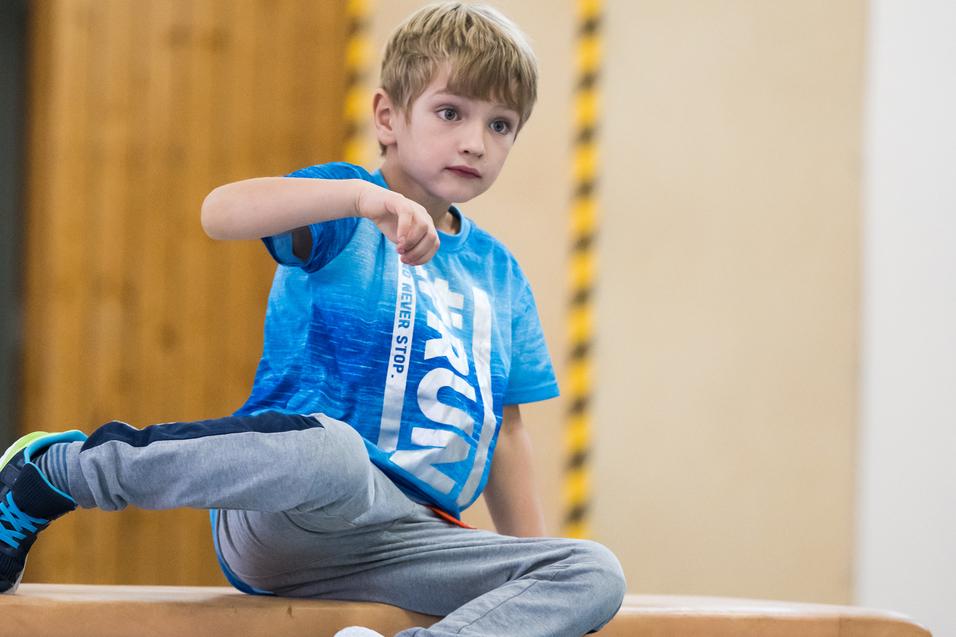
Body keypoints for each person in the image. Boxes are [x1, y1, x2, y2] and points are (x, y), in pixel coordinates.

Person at [0, 3, 625, 635]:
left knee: (592, 569)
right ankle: (58, 471)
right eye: (450, 112)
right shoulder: (343, 209)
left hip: (403, 541)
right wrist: (359, 199)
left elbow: (507, 431)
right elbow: (220, 212)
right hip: (291, 509)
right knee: (337, 454)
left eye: (501, 125)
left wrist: (528, 562)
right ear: (387, 117)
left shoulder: (500, 275)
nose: (475, 141)